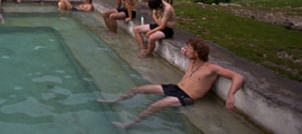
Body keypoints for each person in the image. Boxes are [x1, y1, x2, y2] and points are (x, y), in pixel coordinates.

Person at [98, 37, 244, 129]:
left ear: (197, 53)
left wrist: (231, 95)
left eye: (189, 49)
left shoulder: (211, 68)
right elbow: (185, 51)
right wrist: (186, 49)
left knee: (155, 105)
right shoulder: (192, 60)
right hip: (175, 88)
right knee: (138, 88)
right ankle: (114, 101)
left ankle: (129, 124)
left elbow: (238, 76)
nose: (185, 50)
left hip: (186, 97)